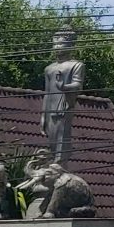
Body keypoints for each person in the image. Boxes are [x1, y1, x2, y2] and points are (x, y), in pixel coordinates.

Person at [41, 26, 83, 167]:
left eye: (61, 44)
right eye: (55, 44)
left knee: (61, 138)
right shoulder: (49, 68)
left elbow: (77, 85)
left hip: (64, 106)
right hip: (50, 108)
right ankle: (54, 161)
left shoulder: (76, 65)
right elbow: (47, 93)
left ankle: (60, 164)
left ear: (70, 45)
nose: (57, 47)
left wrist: (64, 87)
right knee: (52, 139)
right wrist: (43, 116)